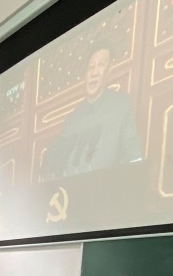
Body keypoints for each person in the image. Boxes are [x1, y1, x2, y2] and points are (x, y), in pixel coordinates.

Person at [38, 36, 145, 182]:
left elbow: (132, 153)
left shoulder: (120, 105)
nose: (94, 72)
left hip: (103, 193)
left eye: (100, 65)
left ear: (109, 71)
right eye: (90, 67)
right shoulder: (72, 119)